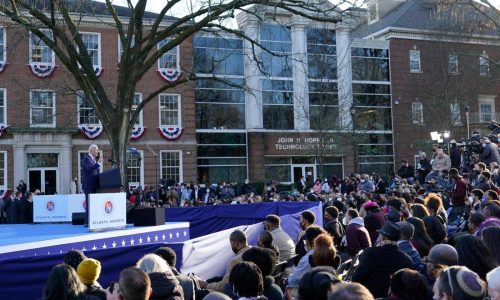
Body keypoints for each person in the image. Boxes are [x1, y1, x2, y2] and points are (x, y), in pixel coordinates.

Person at [352, 221, 413, 298]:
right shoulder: (407, 259)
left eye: (379, 235)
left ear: (383, 237)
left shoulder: (370, 253)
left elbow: (356, 278)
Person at [81, 144, 102, 227]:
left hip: (94, 185)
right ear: (91, 150)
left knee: (93, 204)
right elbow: (89, 168)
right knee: (89, 204)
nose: (97, 151)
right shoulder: (86, 159)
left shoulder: (93, 160)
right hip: (88, 186)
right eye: (96, 150)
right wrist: (98, 164)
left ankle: (92, 221)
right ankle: (87, 222)